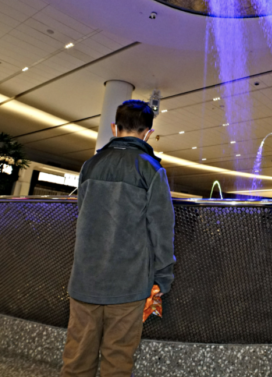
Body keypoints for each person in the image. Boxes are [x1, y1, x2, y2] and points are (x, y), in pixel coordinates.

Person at [61, 100, 175, 377]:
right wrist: (162, 278)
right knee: (118, 361)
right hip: (129, 284)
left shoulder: (90, 166)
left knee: (76, 360)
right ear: (148, 132)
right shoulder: (152, 170)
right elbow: (161, 230)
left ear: (115, 127)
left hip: (85, 281)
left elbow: (83, 217)